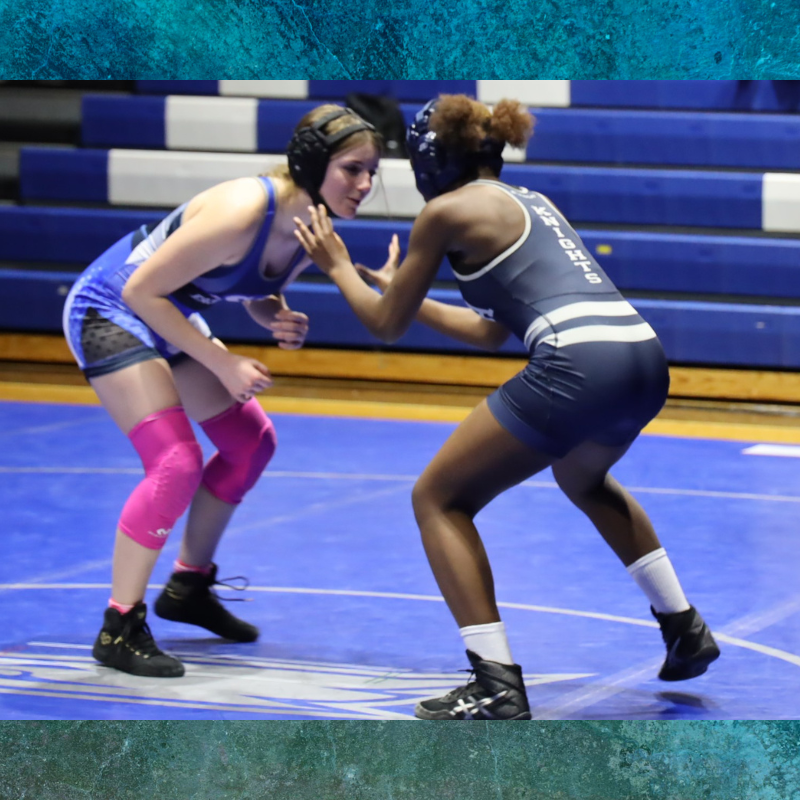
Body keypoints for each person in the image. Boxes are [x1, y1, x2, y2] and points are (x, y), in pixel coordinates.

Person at [293, 94, 720, 720]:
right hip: (641, 356)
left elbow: (386, 326)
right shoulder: (532, 202)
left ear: (430, 160)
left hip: (579, 363)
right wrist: (393, 285)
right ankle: (683, 626)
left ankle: (495, 682)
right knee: (583, 477)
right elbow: (490, 331)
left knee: (437, 498)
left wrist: (337, 268)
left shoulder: (443, 211)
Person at [62, 105, 382, 678]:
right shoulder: (243, 209)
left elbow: (249, 288)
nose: (365, 184)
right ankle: (119, 624)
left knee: (250, 442)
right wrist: (223, 361)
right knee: (176, 462)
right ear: (313, 163)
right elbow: (141, 291)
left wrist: (275, 316)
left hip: (168, 312)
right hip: (111, 307)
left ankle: (188, 585)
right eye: (353, 169)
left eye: (371, 173)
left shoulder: (311, 227)